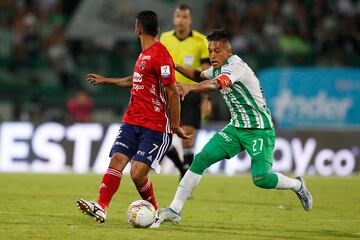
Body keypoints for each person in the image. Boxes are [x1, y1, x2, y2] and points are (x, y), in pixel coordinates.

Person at [159, 29, 313, 224]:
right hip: (236, 128)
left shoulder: (236, 67)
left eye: (217, 51)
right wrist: (175, 66)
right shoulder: (218, 67)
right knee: (200, 160)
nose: (212, 55)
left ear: (228, 52)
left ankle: (297, 185)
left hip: (259, 129)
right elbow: (199, 75)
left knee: (261, 179)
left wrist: (189, 88)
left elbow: (215, 85)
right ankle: (175, 209)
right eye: (210, 51)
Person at [76, 10, 191, 227]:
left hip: (156, 126)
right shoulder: (144, 55)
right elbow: (136, 79)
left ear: (137, 28)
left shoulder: (160, 54)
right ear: (156, 29)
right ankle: (101, 206)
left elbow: (173, 91)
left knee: (137, 173)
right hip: (132, 121)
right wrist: (107, 80)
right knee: (117, 160)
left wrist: (175, 125)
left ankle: (155, 212)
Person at [160, 4, 211, 179]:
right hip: (167, 92)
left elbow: (206, 72)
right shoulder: (165, 38)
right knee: (159, 136)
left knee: (187, 138)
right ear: (174, 19)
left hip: (191, 93)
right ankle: (182, 166)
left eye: (184, 17)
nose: (180, 20)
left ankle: (186, 180)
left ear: (190, 20)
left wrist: (207, 99)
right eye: (178, 16)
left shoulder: (200, 40)